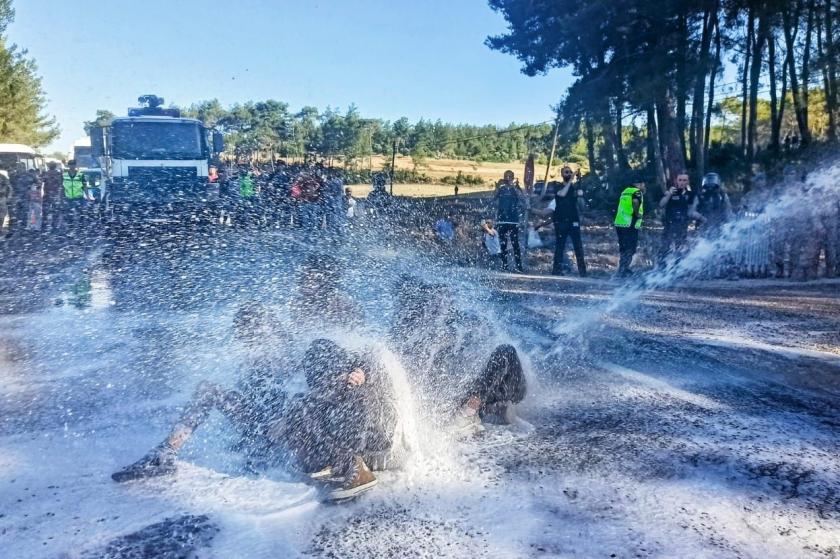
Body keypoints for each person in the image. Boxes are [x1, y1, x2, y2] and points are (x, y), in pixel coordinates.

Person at [111, 302, 292, 483]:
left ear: (259, 327)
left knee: (207, 389)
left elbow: (298, 390)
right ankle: (166, 452)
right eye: (238, 328)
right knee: (207, 389)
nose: (238, 335)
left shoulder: (279, 354)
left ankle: (165, 454)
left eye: (242, 328)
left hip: (274, 429)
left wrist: (285, 421)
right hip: (256, 426)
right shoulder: (253, 356)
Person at [267, 339, 401, 501]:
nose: (324, 385)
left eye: (327, 378)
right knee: (301, 408)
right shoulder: (322, 393)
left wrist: (364, 374)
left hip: (380, 444)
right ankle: (328, 461)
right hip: (356, 445)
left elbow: (376, 363)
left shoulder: (356, 378)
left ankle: (357, 469)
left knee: (348, 398)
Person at [390, 278, 528, 436]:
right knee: (503, 354)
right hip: (472, 399)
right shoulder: (409, 336)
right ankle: (477, 411)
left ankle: (474, 410)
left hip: (497, 387)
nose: (442, 306)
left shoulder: (459, 324)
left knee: (506, 351)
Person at [544, 165, 586, 276]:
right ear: (562, 174)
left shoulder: (575, 188)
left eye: (570, 172)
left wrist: (581, 196)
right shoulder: (557, 186)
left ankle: (583, 272)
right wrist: (571, 181)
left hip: (573, 219)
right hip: (560, 220)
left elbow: (582, 207)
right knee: (560, 246)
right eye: (567, 172)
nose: (569, 174)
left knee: (578, 246)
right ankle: (556, 270)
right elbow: (561, 194)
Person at [692, 172, 735, 278]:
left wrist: (730, 224)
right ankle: (703, 272)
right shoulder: (699, 196)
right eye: (709, 181)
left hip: (719, 226)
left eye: (713, 181)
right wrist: (701, 218)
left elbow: (728, 211)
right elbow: (692, 211)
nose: (710, 184)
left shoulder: (722, 195)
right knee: (702, 249)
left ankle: (729, 272)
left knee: (724, 249)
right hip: (703, 227)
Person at [658, 172, 702, 265]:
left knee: (680, 245)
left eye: (684, 180)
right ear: (676, 181)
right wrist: (669, 194)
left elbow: (691, 210)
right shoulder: (670, 192)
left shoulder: (691, 194)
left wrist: (700, 218)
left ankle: (678, 265)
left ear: (688, 182)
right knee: (665, 245)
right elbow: (661, 204)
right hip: (669, 223)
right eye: (680, 180)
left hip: (682, 224)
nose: (682, 182)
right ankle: (662, 265)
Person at [614, 176, 646, 278]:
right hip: (630, 224)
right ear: (639, 184)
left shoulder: (625, 191)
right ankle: (623, 270)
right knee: (631, 248)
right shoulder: (637, 191)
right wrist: (637, 214)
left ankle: (622, 269)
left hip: (620, 223)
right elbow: (635, 202)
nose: (644, 186)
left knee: (623, 247)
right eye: (643, 184)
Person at [494, 170, 525, 272]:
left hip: (513, 220)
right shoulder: (501, 189)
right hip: (501, 220)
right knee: (502, 244)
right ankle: (504, 265)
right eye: (506, 176)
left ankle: (519, 266)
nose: (508, 178)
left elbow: (522, 198)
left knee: (515, 243)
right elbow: (493, 198)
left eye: (510, 176)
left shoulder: (515, 189)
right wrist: (498, 186)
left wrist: (516, 187)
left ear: (513, 177)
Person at [62, 160, 89, 226]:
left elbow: (84, 186)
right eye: (70, 164)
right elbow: (61, 186)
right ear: (68, 165)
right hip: (68, 197)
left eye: (73, 164)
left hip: (78, 197)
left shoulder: (80, 175)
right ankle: (70, 225)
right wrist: (61, 196)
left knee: (80, 212)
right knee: (69, 213)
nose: (72, 166)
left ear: (75, 165)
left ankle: (81, 225)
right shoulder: (64, 175)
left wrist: (87, 196)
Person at [43, 161, 64, 231]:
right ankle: (53, 226)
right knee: (55, 211)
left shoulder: (46, 173)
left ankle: (45, 225)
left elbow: (40, 183)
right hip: (54, 195)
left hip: (48, 194)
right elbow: (61, 185)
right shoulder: (58, 174)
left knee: (46, 211)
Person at [0, 170, 11, 237]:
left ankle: (0, 228)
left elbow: (8, 187)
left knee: (2, 215)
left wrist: (8, 197)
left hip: (1, 197)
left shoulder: (2, 177)